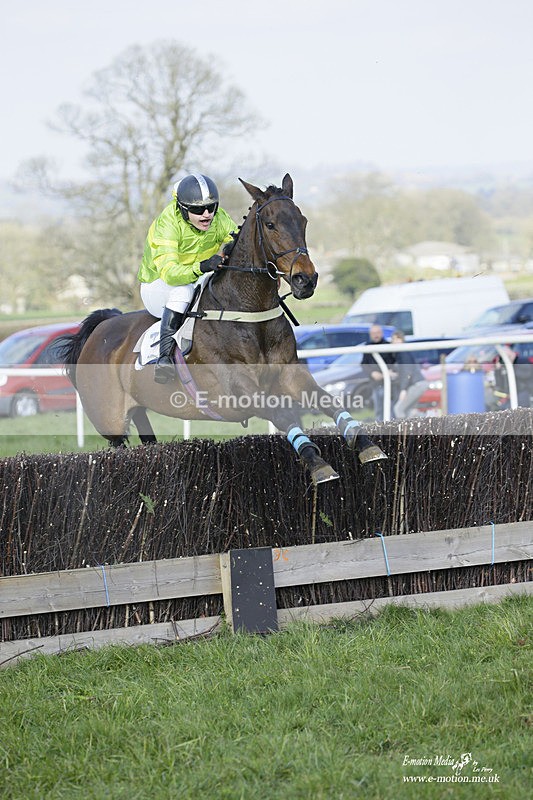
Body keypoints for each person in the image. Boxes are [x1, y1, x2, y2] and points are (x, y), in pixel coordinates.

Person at [138, 174, 239, 383]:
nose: (206, 214)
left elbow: (238, 241)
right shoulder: (167, 224)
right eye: (197, 210)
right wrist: (202, 266)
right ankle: (164, 358)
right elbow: (170, 273)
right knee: (183, 291)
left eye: (211, 207)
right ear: (183, 208)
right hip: (159, 285)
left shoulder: (218, 217)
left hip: (194, 278)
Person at [361, 324, 397, 421]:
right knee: (379, 410)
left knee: (390, 409)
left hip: (389, 384)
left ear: (381, 333)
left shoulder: (388, 346)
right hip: (375, 384)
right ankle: (379, 433)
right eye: (373, 333)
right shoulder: (367, 347)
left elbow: (394, 363)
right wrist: (372, 373)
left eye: (377, 333)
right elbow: (364, 364)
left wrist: (388, 373)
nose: (376, 335)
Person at [390, 330, 429, 418]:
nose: (394, 342)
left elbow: (407, 371)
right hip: (417, 384)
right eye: (393, 339)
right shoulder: (401, 353)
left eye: (397, 339)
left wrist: (403, 389)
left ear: (402, 340)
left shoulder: (403, 353)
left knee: (398, 409)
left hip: (417, 384)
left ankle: (403, 431)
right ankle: (426, 419)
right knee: (408, 411)